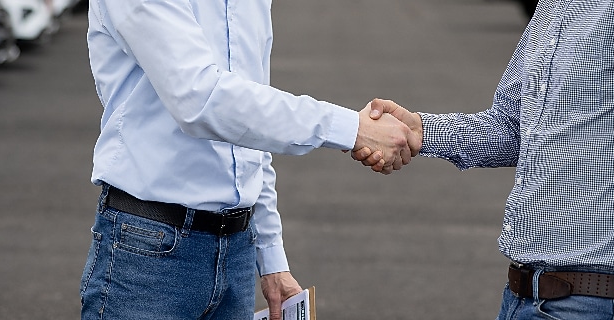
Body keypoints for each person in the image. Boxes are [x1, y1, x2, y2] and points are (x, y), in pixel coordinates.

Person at [354, 0, 614, 319]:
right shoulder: (554, 5)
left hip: (598, 304)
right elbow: (512, 126)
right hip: (522, 298)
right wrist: (422, 131)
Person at [77, 0, 419, 319]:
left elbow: (249, 129)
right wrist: (352, 128)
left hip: (237, 250)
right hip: (147, 254)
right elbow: (200, 99)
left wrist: (271, 258)